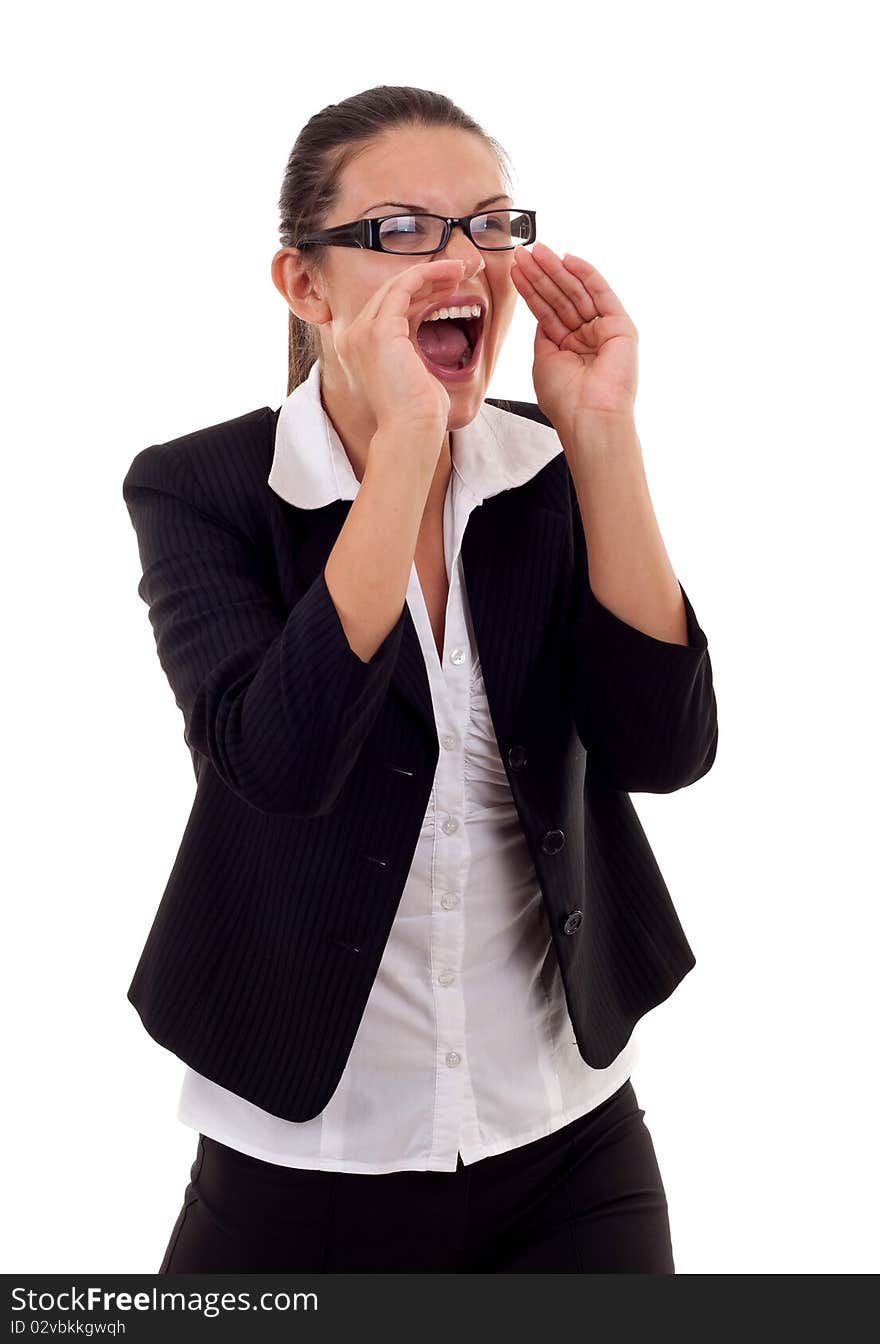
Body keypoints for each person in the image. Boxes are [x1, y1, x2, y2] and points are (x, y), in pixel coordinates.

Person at [123, 85, 718, 1274]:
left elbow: (664, 749)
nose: (462, 259)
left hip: (565, 1140)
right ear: (305, 284)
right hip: (304, 1159)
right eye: (404, 229)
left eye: (489, 226)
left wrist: (599, 436)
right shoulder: (201, 491)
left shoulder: (541, 469)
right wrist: (403, 449)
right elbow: (278, 766)